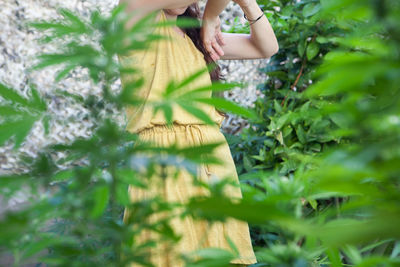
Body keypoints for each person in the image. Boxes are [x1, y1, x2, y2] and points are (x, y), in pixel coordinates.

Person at [118, 0, 278, 266]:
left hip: (212, 160)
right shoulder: (134, 14)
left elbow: (266, 46)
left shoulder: (195, 35)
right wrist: (212, 15)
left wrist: (246, 4)